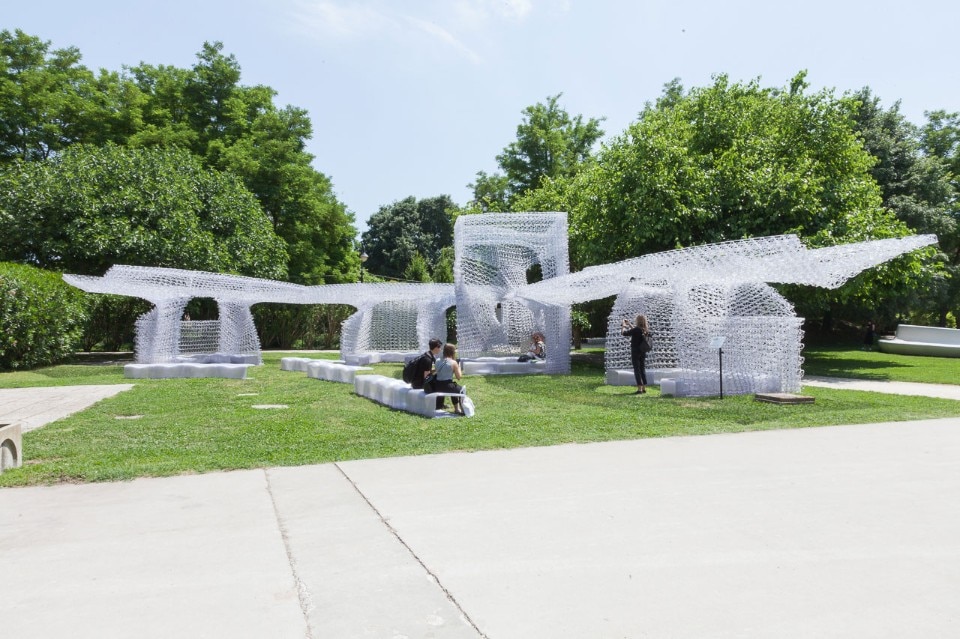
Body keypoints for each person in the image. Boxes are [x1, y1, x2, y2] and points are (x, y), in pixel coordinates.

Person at [621, 314, 651, 394]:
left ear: (637, 321)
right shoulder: (645, 330)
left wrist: (623, 326)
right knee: (642, 369)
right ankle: (644, 388)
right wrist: (629, 324)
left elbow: (624, 333)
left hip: (635, 351)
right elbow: (636, 331)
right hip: (643, 351)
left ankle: (639, 389)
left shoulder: (636, 330)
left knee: (637, 369)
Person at [432, 343, 465, 414]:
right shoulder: (453, 362)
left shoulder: (437, 360)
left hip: (437, 385)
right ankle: (459, 409)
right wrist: (459, 367)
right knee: (461, 390)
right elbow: (459, 377)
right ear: (452, 352)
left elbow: (437, 371)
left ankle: (438, 407)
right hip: (447, 385)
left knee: (454, 386)